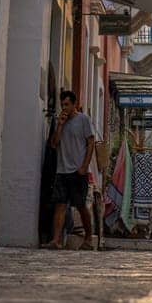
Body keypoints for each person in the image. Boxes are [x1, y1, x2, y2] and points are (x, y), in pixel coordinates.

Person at [45, 90, 96, 250]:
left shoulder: (83, 120)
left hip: (77, 171)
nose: (64, 107)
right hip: (62, 170)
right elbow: (54, 144)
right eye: (62, 105)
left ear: (74, 104)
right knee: (59, 205)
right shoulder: (60, 121)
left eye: (67, 104)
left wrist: (84, 166)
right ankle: (56, 240)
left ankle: (88, 238)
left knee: (80, 205)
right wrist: (60, 125)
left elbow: (91, 143)